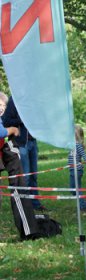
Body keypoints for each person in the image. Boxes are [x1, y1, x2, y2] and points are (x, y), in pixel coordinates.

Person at [0, 92, 40, 239]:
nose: (1, 108)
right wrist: (14, 127)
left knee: (28, 177)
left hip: (28, 143)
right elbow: (3, 127)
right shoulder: (13, 102)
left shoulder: (33, 103)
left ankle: (33, 207)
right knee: (23, 179)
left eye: (2, 106)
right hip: (19, 143)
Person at [2, 96, 46, 211]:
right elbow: (6, 121)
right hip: (21, 144)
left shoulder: (33, 99)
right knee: (24, 176)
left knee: (34, 175)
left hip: (32, 142)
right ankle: (24, 206)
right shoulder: (14, 100)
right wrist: (22, 119)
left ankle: (35, 203)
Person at [69, 125, 86, 211]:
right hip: (72, 170)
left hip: (77, 170)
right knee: (73, 189)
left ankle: (83, 205)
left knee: (75, 189)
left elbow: (85, 157)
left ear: (76, 135)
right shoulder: (72, 145)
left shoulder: (78, 145)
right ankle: (83, 203)